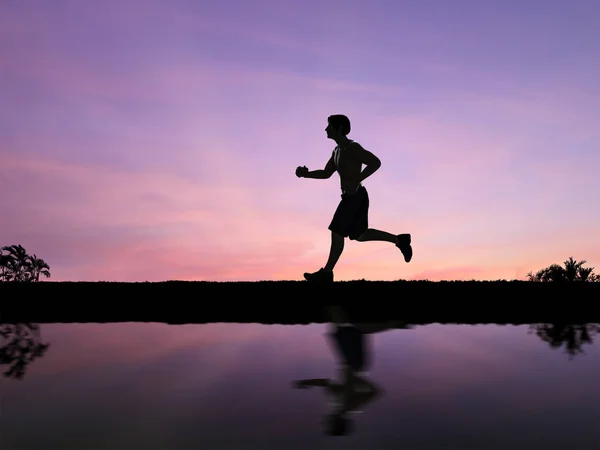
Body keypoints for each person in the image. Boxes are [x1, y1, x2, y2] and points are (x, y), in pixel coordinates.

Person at [296, 114, 412, 283]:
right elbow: (326, 173)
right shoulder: (336, 151)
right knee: (360, 235)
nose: (326, 129)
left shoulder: (353, 147)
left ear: (340, 128)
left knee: (337, 230)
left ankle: (327, 273)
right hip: (352, 197)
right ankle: (400, 240)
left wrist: (357, 179)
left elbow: (375, 162)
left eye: (329, 125)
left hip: (356, 196)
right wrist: (306, 174)